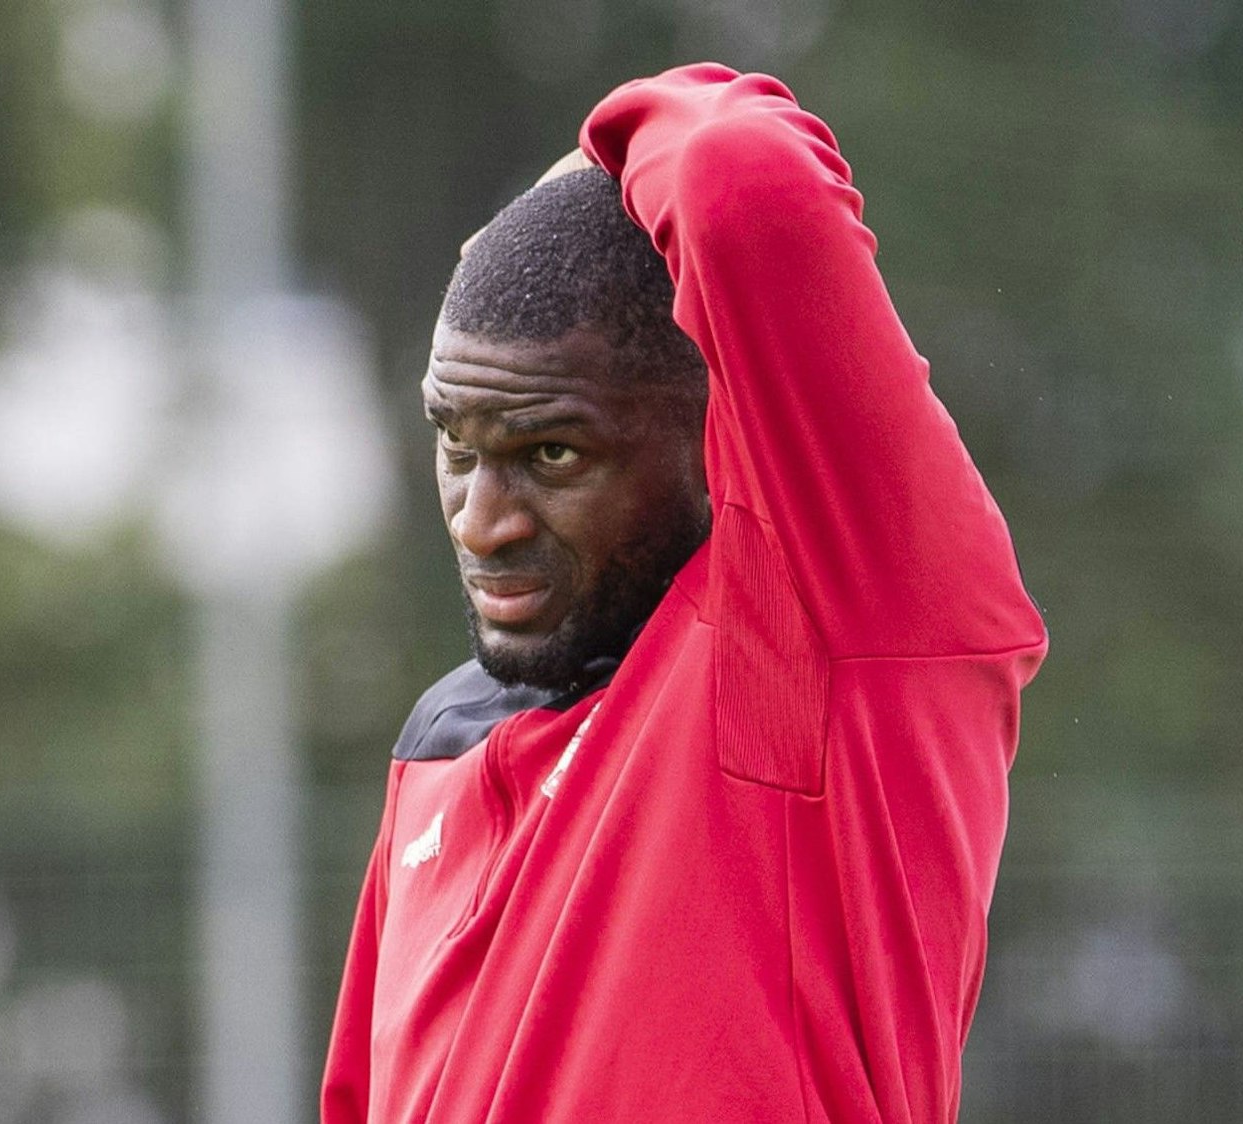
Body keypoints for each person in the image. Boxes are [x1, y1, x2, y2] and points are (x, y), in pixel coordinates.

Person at [322, 63, 1047, 1123]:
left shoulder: (823, 638)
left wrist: (586, 156)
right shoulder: (446, 737)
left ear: (715, 429)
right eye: (455, 445)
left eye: (553, 451)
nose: (484, 520)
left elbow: (732, 170)